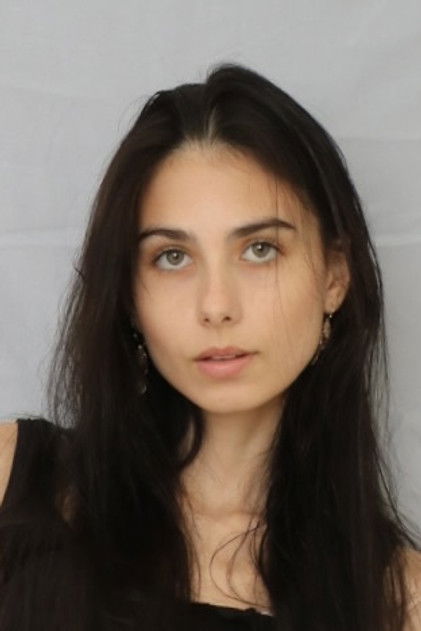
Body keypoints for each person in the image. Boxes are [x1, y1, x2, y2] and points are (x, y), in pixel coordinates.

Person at [0, 62, 420, 631]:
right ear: (129, 295)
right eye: (173, 257)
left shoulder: (398, 601)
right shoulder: (13, 481)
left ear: (334, 277)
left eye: (260, 249)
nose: (216, 305)